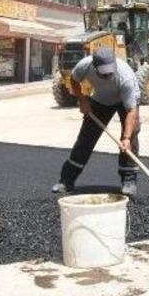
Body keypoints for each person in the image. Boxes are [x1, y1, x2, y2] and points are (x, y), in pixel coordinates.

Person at [52, 47, 141, 200]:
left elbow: (131, 111)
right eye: (103, 72)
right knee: (86, 137)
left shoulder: (125, 77)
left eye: (110, 71)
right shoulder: (84, 65)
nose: (107, 75)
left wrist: (125, 138)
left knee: (131, 137)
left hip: (124, 101)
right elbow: (74, 79)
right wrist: (82, 99)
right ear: (95, 67)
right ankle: (67, 180)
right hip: (101, 99)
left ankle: (129, 180)